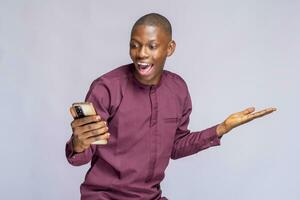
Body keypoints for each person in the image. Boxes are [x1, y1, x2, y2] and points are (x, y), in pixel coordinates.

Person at [65, 13, 276, 200]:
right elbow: (80, 156)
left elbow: (175, 146)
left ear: (170, 48)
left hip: (150, 196)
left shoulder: (178, 89)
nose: (141, 54)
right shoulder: (107, 88)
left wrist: (221, 128)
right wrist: (78, 144)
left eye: (152, 46)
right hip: (105, 196)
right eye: (134, 45)